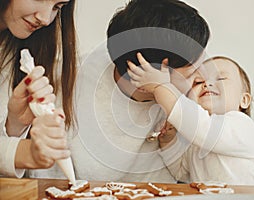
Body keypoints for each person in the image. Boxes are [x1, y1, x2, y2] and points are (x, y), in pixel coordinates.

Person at [72, 0, 210, 182]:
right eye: (193, 71)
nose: (204, 77)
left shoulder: (191, 99)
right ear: (152, 73)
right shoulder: (75, 78)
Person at [127, 54, 254, 185]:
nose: (207, 83)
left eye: (221, 78)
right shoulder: (196, 140)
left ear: (244, 100)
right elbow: (181, 172)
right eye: (198, 82)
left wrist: (161, 87)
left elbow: (198, 124)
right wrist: (168, 141)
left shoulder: (242, 126)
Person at [0, 0, 77, 177]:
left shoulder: (20, 48)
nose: (45, 19)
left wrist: (15, 124)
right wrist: (26, 153)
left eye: (57, 7)